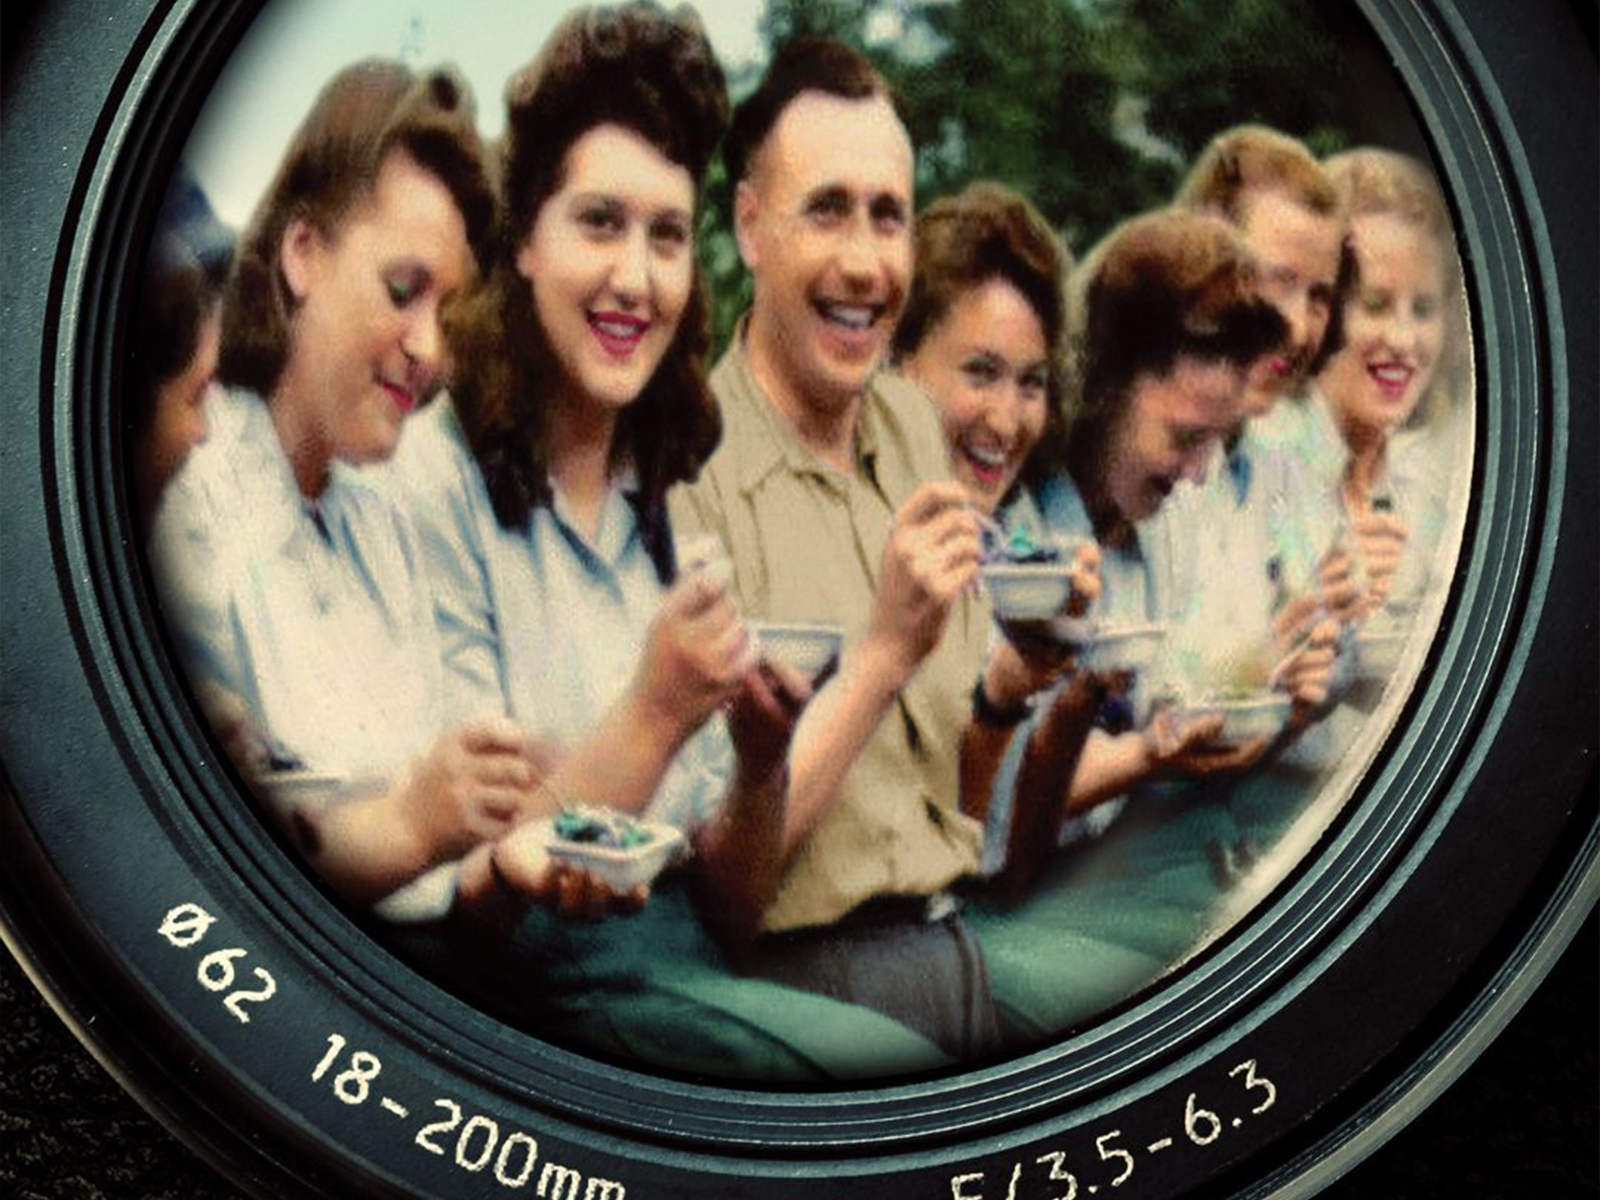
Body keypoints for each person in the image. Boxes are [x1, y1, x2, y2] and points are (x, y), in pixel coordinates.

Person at [152, 60, 559, 923]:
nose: (430, 350)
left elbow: (441, 856)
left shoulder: (392, 499)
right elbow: (206, 879)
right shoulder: (183, 495)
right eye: (404, 291)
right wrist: (416, 824)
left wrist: (498, 857)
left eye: (448, 314)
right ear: (302, 254)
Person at [667, 36, 1007, 1060]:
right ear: (749, 226)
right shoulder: (686, 473)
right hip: (802, 999)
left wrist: (1023, 680)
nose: (865, 262)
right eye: (827, 209)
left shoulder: (912, 425)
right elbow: (728, 894)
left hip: (958, 945)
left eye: (888, 215)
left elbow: (961, 774)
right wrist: (882, 656)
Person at [889, 180, 1104, 894]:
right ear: (897, 363)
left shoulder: (1013, 541)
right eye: (980, 373)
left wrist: (1076, 683)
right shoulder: (861, 538)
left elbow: (1010, 866)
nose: (1007, 422)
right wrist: (999, 701)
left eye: (1031, 383)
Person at [1313, 148, 1465, 660]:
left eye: (1423, 309)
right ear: (1320, 309)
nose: (1404, 340)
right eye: (1375, 305)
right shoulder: (1241, 475)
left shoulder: (1440, 489)